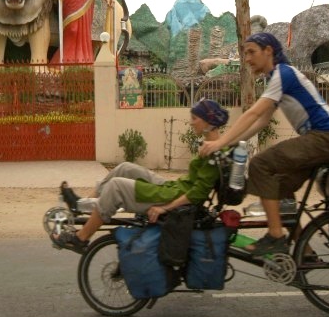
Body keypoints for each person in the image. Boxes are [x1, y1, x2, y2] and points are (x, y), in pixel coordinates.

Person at [199, 32, 329, 256]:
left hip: (324, 137)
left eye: (251, 52)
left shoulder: (282, 74)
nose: (247, 58)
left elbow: (253, 113)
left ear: (268, 51)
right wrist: (232, 143)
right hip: (321, 139)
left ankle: (276, 236)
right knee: (280, 187)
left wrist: (220, 142)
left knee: (260, 164)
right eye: (245, 53)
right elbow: (262, 120)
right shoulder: (274, 77)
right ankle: (304, 251)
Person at [51, 99, 230, 253]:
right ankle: (82, 206)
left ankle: (81, 238)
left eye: (195, 118)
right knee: (125, 168)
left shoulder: (214, 153)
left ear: (208, 122)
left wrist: (164, 208)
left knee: (116, 187)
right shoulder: (211, 146)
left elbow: (197, 194)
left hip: (174, 197)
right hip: (175, 187)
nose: (191, 123)